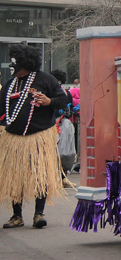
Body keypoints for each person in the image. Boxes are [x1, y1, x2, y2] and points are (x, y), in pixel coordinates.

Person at [0, 45, 69, 229]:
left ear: (25, 64)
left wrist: (48, 101)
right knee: (15, 177)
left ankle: (39, 214)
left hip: (39, 136)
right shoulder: (9, 85)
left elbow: (64, 99)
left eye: (14, 63)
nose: (11, 66)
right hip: (13, 138)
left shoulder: (46, 79)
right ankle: (17, 216)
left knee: (40, 175)